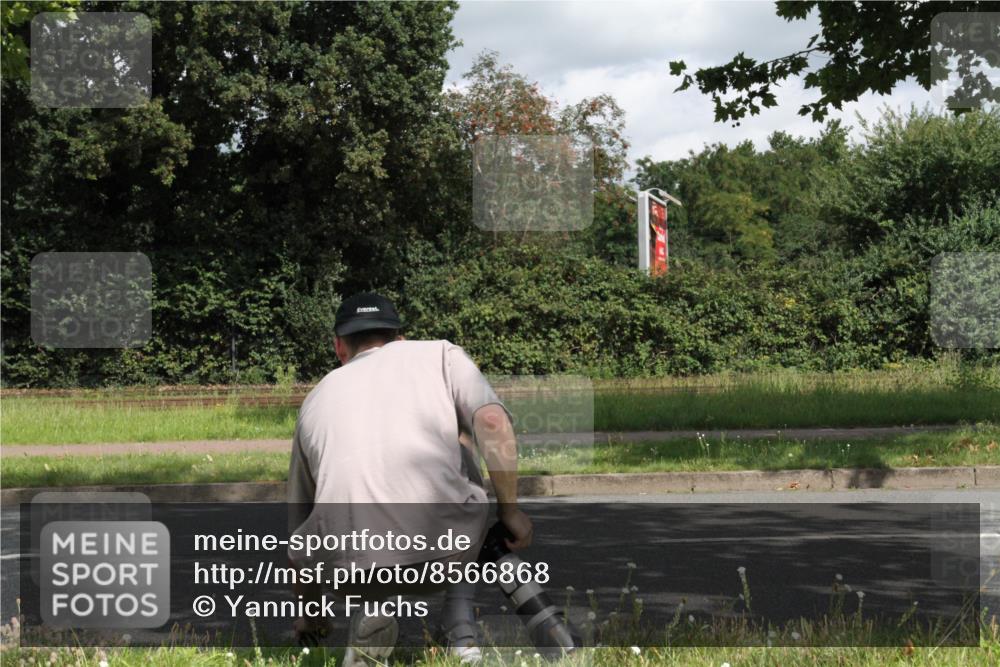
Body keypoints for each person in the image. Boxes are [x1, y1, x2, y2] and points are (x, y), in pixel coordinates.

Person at [286, 292, 532, 666]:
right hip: (444, 552)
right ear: (400, 339)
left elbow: (299, 525)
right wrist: (510, 510)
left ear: (339, 347)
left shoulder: (315, 399)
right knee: (461, 438)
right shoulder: (439, 355)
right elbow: (493, 422)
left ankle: (371, 612)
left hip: (348, 571)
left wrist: (312, 614)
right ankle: (460, 629)